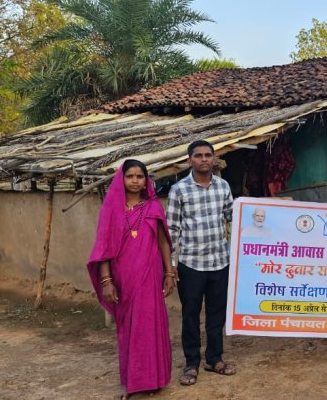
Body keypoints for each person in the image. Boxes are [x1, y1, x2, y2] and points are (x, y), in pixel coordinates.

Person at [87, 159, 173, 399]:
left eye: (139, 176)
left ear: (146, 180)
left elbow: (163, 241)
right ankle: (131, 382)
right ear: (121, 179)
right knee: (129, 329)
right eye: (130, 176)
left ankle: (154, 379)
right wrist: (106, 282)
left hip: (150, 275)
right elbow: (103, 249)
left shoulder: (153, 207)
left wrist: (169, 272)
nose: (135, 181)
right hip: (123, 278)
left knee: (151, 326)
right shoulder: (111, 209)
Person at [167, 140, 236, 386]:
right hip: (191, 264)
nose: (204, 159)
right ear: (190, 160)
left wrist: (259, 215)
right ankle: (191, 363)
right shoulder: (179, 190)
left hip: (220, 261)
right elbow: (172, 229)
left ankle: (214, 358)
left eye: (208, 155)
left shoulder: (223, 186)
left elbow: (232, 216)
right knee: (190, 315)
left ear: (214, 159)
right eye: (198, 155)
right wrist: (171, 265)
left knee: (217, 314)